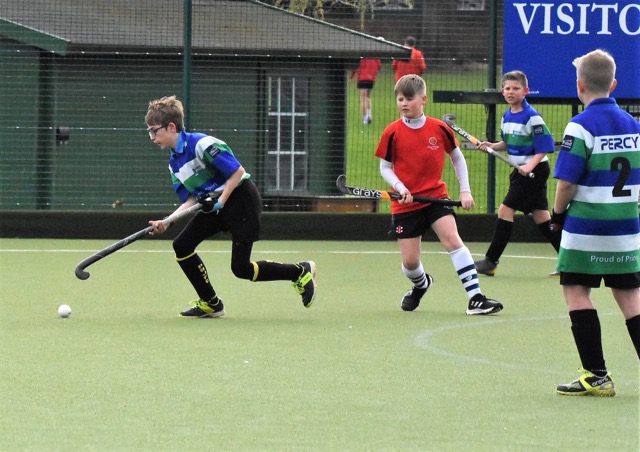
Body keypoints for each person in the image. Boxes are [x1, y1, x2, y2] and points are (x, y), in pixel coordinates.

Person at [145, 95, 316, 318]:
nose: (151, 137)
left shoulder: (202, 144)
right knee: (182, 245)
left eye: (154, 131)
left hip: (240, 199)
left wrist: (221, 201)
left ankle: (299, 271)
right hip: (215, 205)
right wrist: (168, 221)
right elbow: (191, 199)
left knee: (241, 269)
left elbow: (237, 171)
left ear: (171, 127)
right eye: (149, 132)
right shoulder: (173, 163)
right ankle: (211, 303)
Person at [375, 74, 503, 315]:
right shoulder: (392, 132)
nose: (404, 103)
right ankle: (421, 284)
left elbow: (457, 157)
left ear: (423, 99)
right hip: (405, 204)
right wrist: (401, 188)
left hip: (435, 198)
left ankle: (476, 298)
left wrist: (465, 190)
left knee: (453, 241)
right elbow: (385, 167)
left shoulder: (439, 128)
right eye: (400, 99)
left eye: (409, 99)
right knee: (410, 263)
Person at [551, 49, 640, 396]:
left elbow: (566, 183)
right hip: (625, 230)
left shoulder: (580, 125)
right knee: (631, 299)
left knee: (576, 291)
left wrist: (557, 216)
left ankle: (597, 374)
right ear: (613, 84)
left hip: (586, 229)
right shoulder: (633, 125)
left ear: (579, 86)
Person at [473, 70, 560, 277]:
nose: (511, 92)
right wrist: (492, 145)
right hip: (520, 171)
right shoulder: (507, 115)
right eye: (507, 88)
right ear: (503, 91)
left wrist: (529, 166)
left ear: (526, 91)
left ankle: (491, 261)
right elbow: (506, 143)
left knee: (505, 210)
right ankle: (572, 262)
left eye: (516, 88)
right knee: (542, 218)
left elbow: (545, 146)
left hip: (534, 171)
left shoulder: (532, 117)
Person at [350, 58, 381, 125]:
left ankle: (365, 119)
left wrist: (351, 76)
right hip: (371, 79)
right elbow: (378, 65)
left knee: (363, 98)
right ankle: (369, 115)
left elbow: (355, 65)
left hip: (362, 78)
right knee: (367, 96)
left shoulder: (362, 54)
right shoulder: (375, 55)